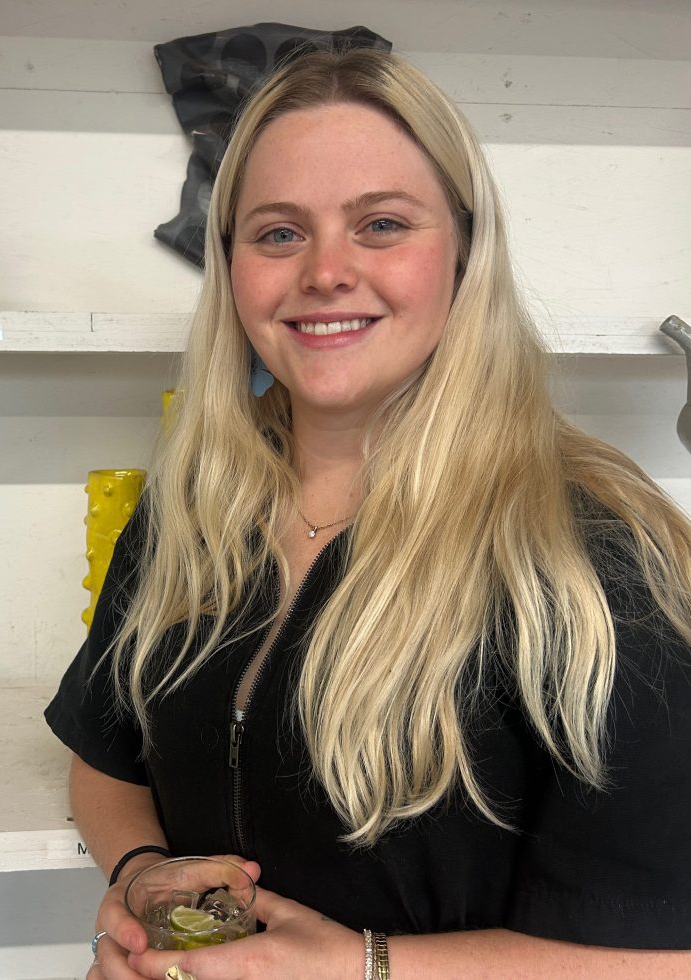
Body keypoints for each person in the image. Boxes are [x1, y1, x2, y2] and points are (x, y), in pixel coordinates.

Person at [45, 48, 691, 979]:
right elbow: (106, 758)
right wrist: (146, 874)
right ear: (230, 267)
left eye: (381, 224)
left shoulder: (593, 558)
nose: (325, 271)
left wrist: (362, 967)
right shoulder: (192, 512)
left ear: (464, 251)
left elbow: (665, 954)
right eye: (278, 233)